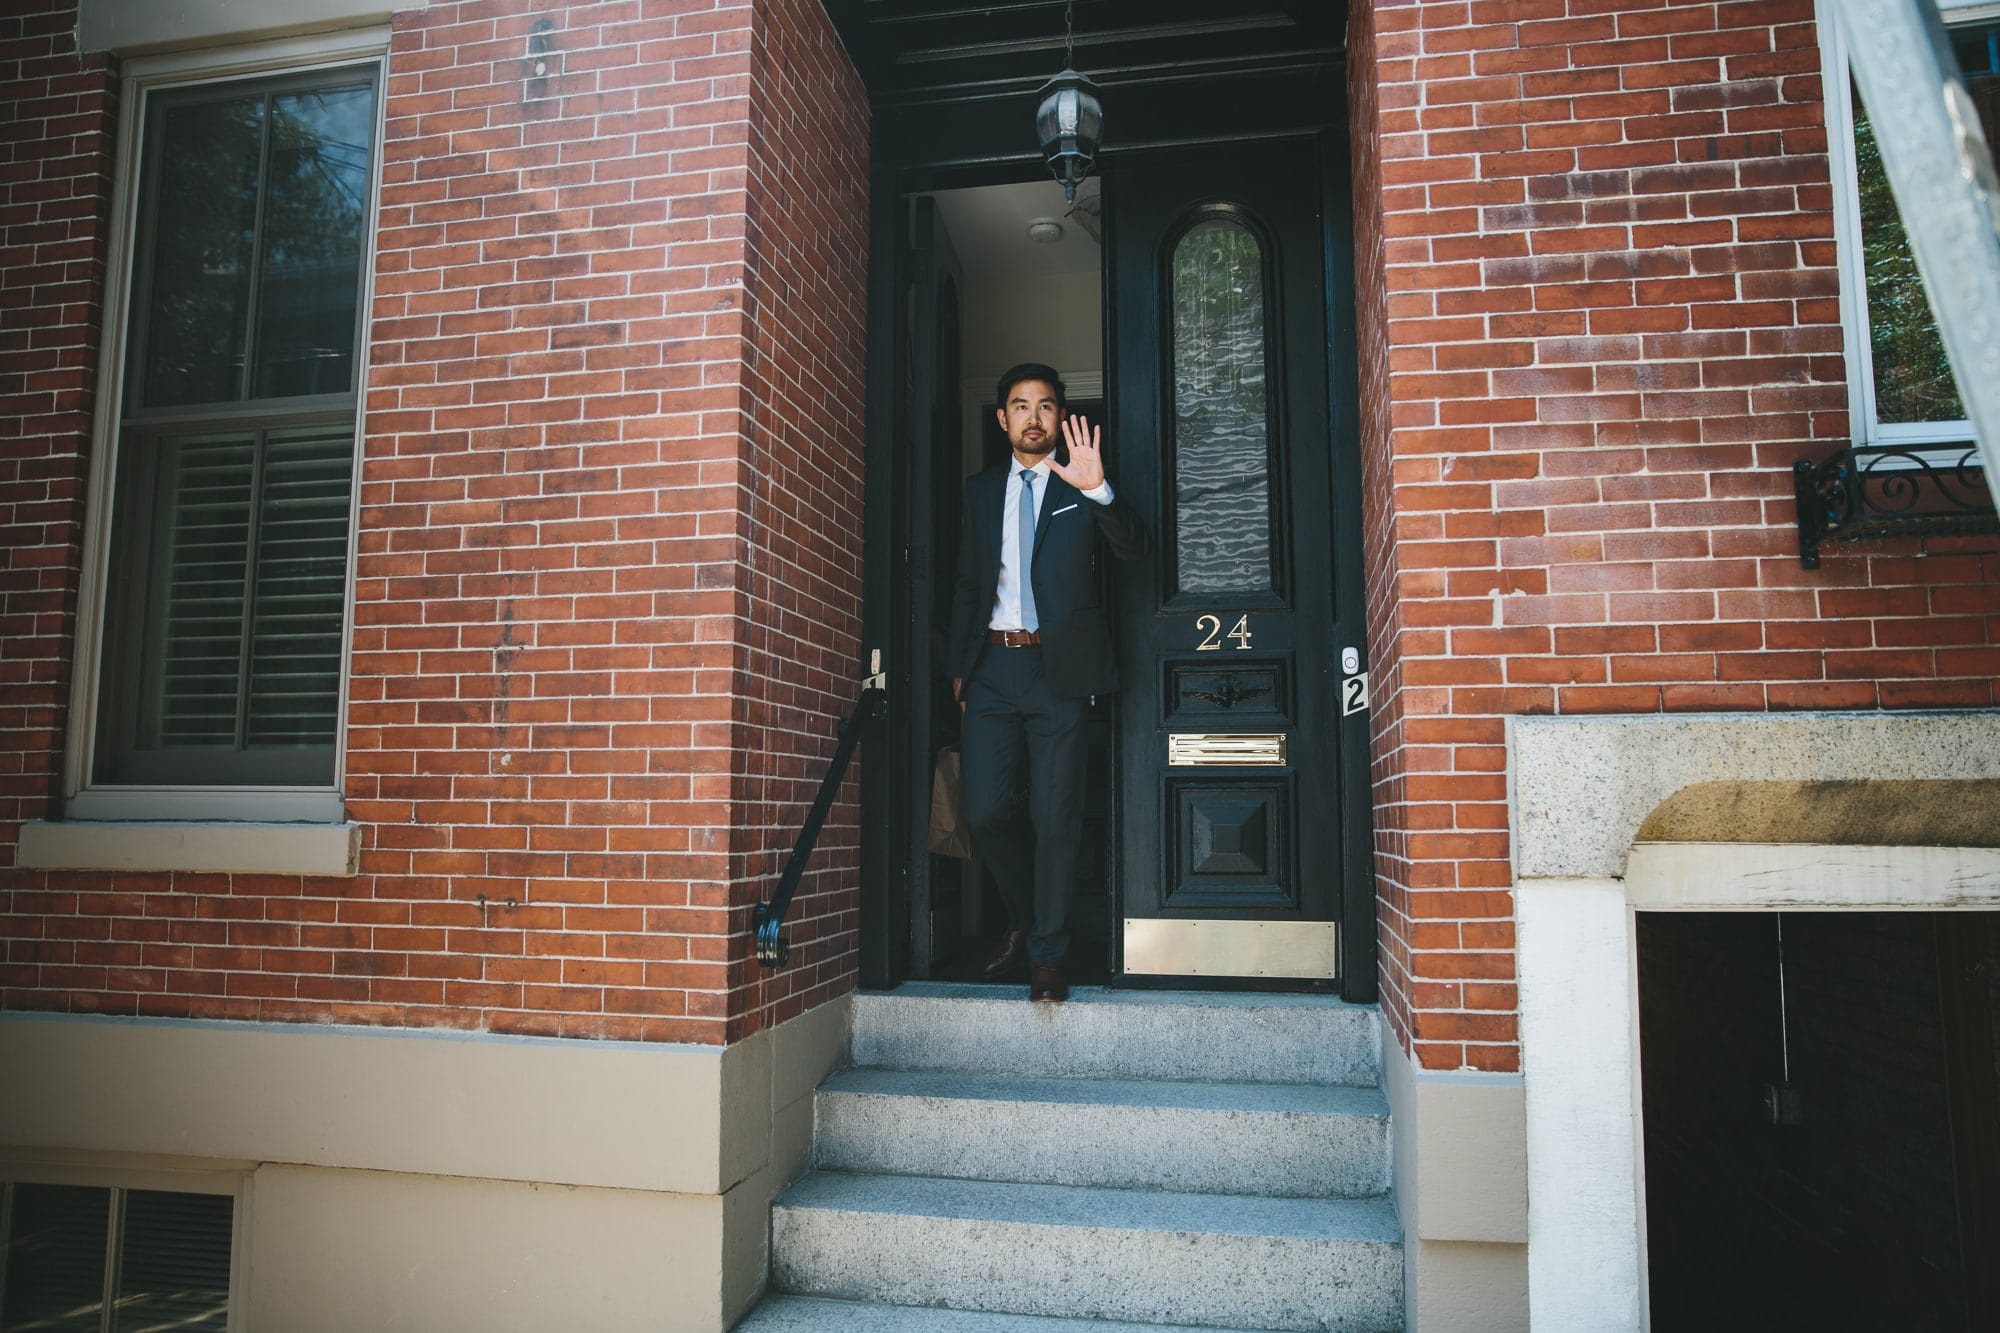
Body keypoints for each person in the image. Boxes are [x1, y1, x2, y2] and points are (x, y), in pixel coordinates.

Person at [947, 363, 1149, 1002]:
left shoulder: (1078, 484)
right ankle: (1025, 917)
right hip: (992, 668)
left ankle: (1047, 956)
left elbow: (1135, 552)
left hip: (1058, 672)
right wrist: (959, 667)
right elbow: (966, 582)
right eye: (1019, 405)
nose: (1033, 416)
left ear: (1059, 418)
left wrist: (1100, 492)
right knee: (983, 809)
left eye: (1046, 406)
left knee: (1055, 816)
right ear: (1002, 418)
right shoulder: (980, 492)